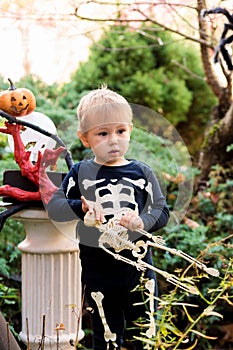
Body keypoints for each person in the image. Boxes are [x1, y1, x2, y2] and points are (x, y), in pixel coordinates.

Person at [47, 86, 170, 350]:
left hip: (139, 271)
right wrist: (80, 207)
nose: (113, 140)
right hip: (98, 273)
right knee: (106, 338)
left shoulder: (141, 172)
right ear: (85, 139)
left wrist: (143, 222)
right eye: (102, 133)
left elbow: (162, 210)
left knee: (145, 336)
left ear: (130, 130)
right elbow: (55, 207)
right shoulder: (81, 172)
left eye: (120, 131)